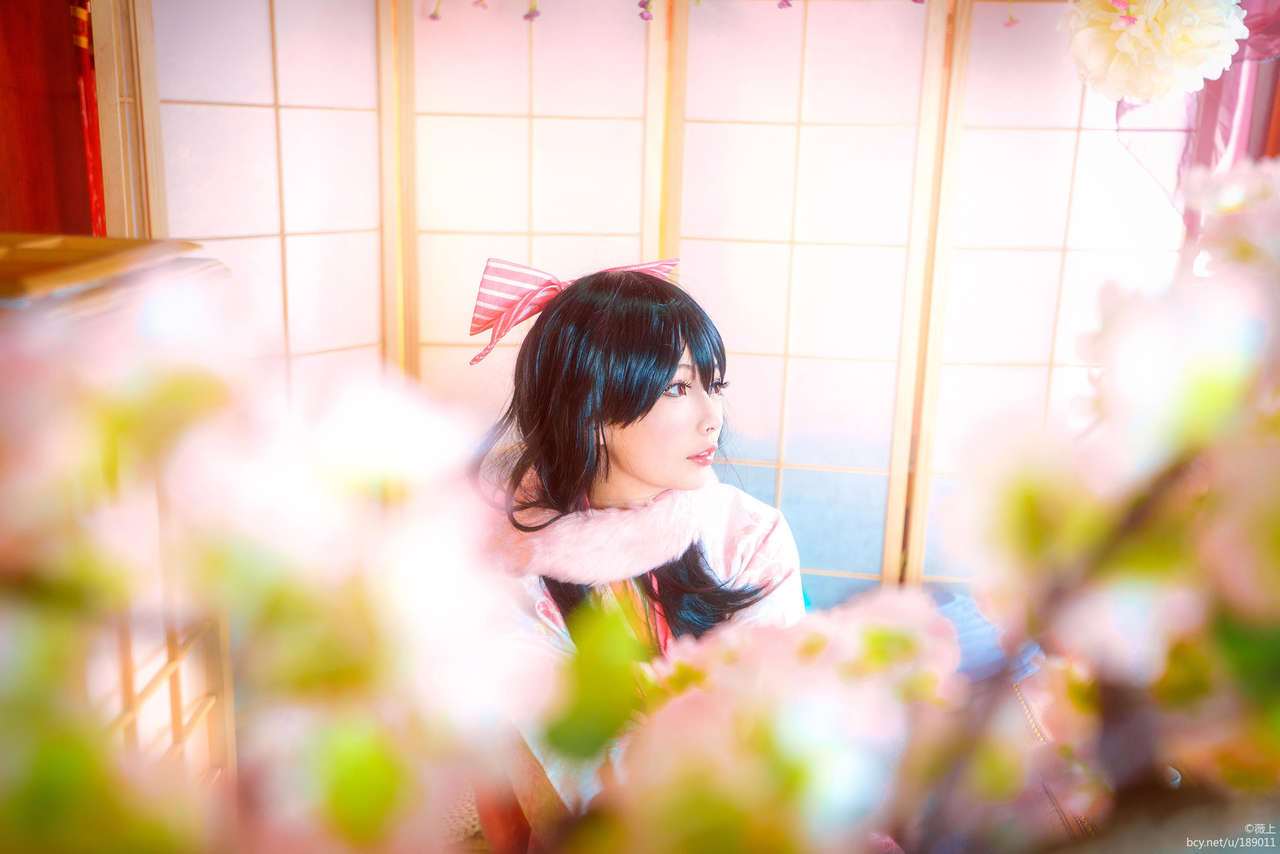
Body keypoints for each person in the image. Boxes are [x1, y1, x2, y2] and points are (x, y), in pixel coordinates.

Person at [467, 257, 806, 820]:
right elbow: (557, 778)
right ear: (590, 408)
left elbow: (776, 736)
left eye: (714, 385)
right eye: (678, 387)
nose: (713, 417)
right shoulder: (508, 569)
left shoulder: (749, 535)